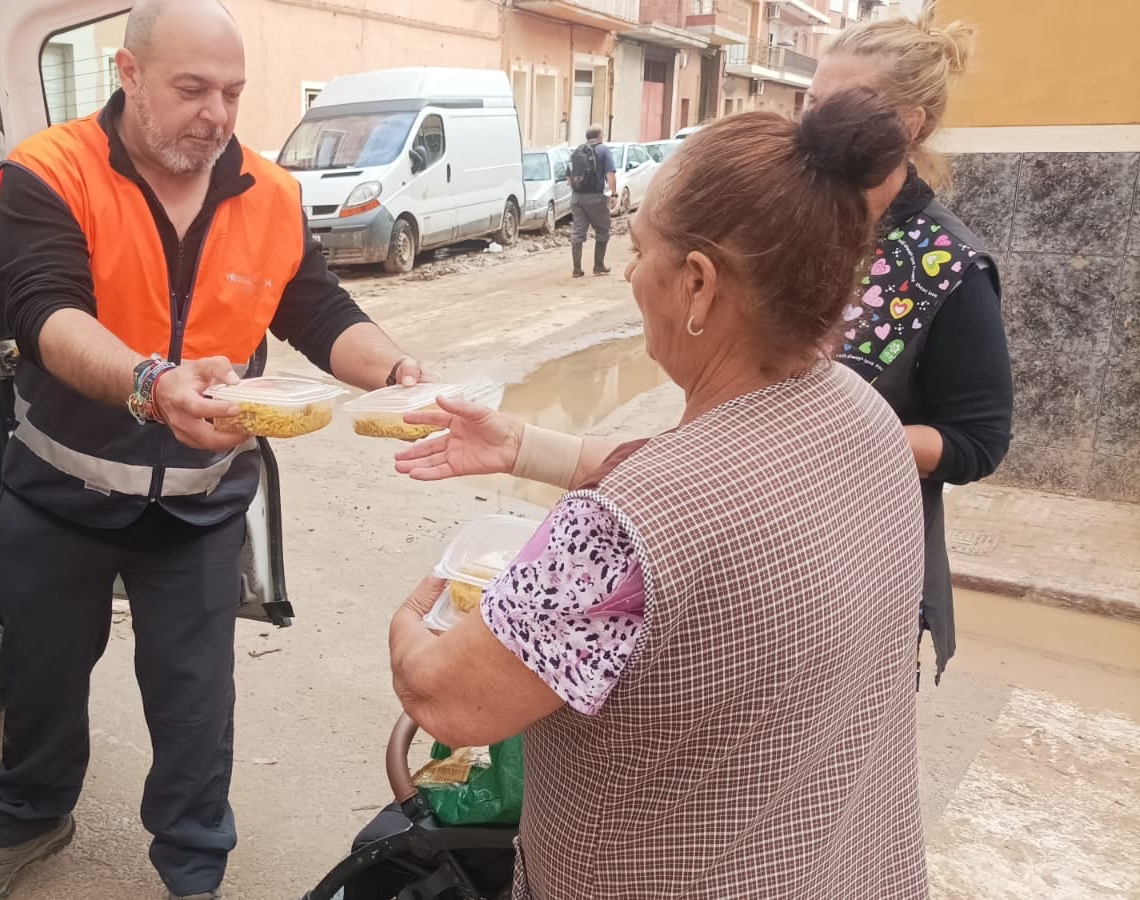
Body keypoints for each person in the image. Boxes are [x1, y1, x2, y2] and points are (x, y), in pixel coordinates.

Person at [388, 90, 929, 897]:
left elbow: (453, 703)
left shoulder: (618, 532)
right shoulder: (861, 415)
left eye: (642, 248)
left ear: (700, 285)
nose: (633, 271)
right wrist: (522, 445)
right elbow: (709, 470)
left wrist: (415, 621)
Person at [0, 2, 422, 899]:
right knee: (41, 683)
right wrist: (153, 385)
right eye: (192, 89)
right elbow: (45, 312)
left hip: (199, 507)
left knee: (195, 708)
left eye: (233, 93)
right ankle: (29, 821)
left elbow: (316, 309)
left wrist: (397, 373)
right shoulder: (51, 172)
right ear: (128, 75)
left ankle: (193, 874)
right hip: (58, 498)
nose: (216, 115)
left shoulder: (270, 195)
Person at [812, 12, 1012, 684]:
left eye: (843, 106)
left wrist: (839, 437)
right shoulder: (793, 219)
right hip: (754, 532)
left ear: (909, 124)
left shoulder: (949, 265)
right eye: (814, 103)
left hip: (862, 563)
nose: (818, 123)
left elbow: (977, 442)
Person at [568, 125, 617, 278]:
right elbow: (610, 175)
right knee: (602, 229)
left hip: (576, 197)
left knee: (578, 232)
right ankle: (598, 265)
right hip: (595, 197)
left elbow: (568, 179)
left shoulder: (577, 151)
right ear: (600, 135)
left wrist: (578, 190)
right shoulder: (603, 150)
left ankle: (577, 269)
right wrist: (614, 194)